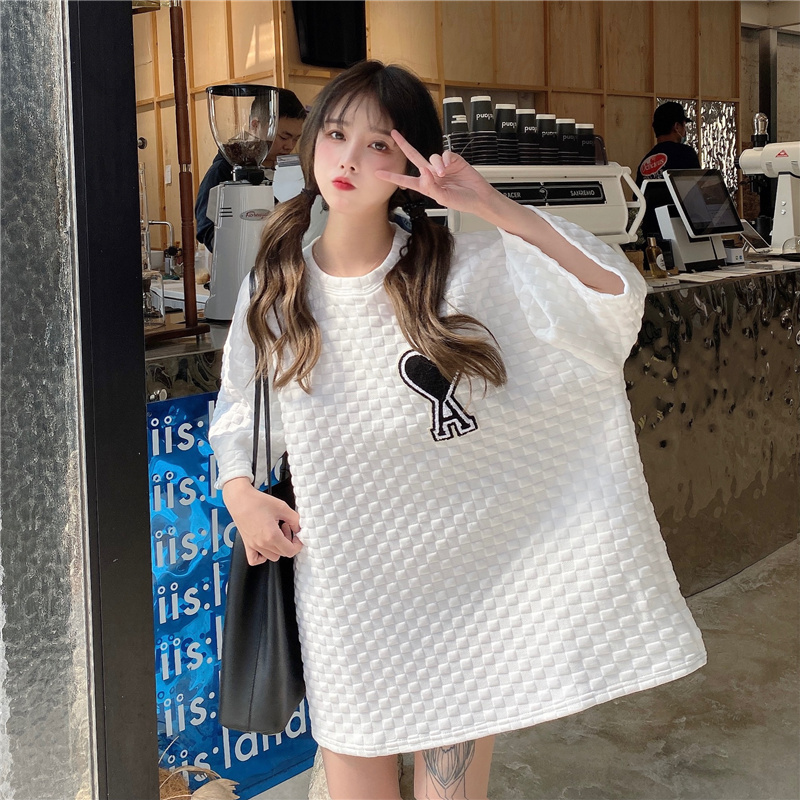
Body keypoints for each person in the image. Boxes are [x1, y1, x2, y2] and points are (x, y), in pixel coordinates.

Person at [209, 61, 706, 800]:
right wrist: (241, 496)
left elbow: (611, 297)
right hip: (346, 585)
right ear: (311, 142)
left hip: (462, 586)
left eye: (380, 144)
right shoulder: (278, 286)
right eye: (337, 135)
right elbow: (240, 418)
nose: (350, 159)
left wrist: (492, 205)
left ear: (413, 157)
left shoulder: (459, 267)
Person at [195, 87, 306, 252]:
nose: (289, 146)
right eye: (283, 137)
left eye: (296, 139)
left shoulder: (291, 173)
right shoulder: (223, 170)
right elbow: (206, 228)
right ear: (255, 125)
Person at [635, 101, 701, 185]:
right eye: (684, 125)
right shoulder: (686, 154)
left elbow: (637, 192)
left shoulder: (645, 163)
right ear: (677, 127)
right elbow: (697, 188)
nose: (685, 131)